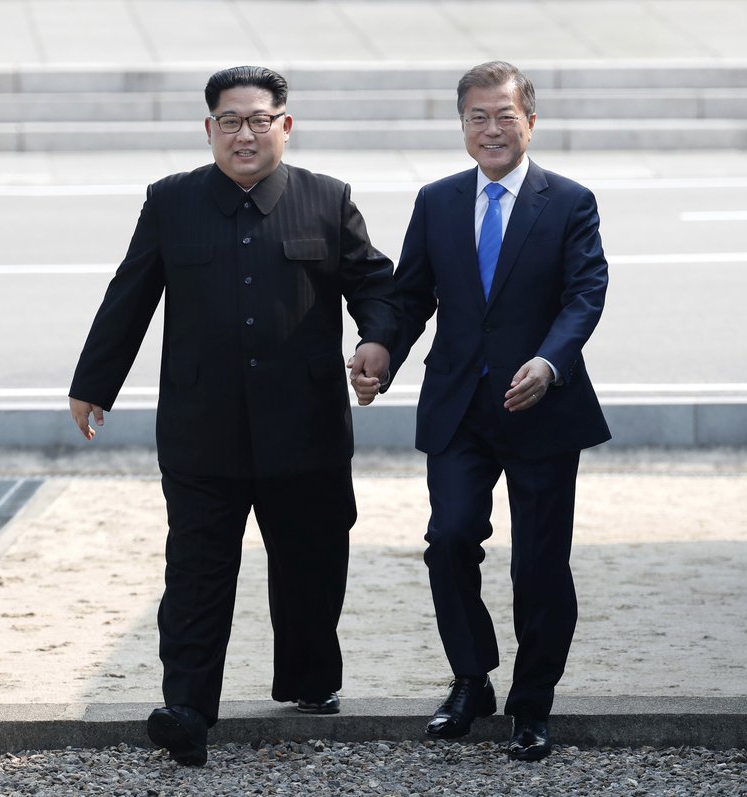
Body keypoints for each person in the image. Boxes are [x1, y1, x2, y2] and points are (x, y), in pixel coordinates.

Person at [69, 65, 396, 767]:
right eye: (229, 121)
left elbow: (376, 284)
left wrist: (377, 340)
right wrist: (94, 382)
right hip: (200, 427)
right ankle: (186, 706)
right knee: (194, 569)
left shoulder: (327, 200)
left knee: (312, 561)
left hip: (305, 424)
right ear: (208, 128)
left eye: (257, 119)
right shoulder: (171, 202)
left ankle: (310, 678)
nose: (243, 133)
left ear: (285, 123)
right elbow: (129, 295)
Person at [352, 61, 610, 761]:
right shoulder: (436, 201)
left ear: (530, 119)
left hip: (542, 407)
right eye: (477, 117)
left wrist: (549, 362)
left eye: (504, 115)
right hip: (460, 406)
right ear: (462, 124)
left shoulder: (569, 200)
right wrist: (379, 348)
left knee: (540, 567)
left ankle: (533, 705)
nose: (491, 129)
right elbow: (410, 297)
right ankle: (473, 679)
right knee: (449, 539)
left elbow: (585, 293)